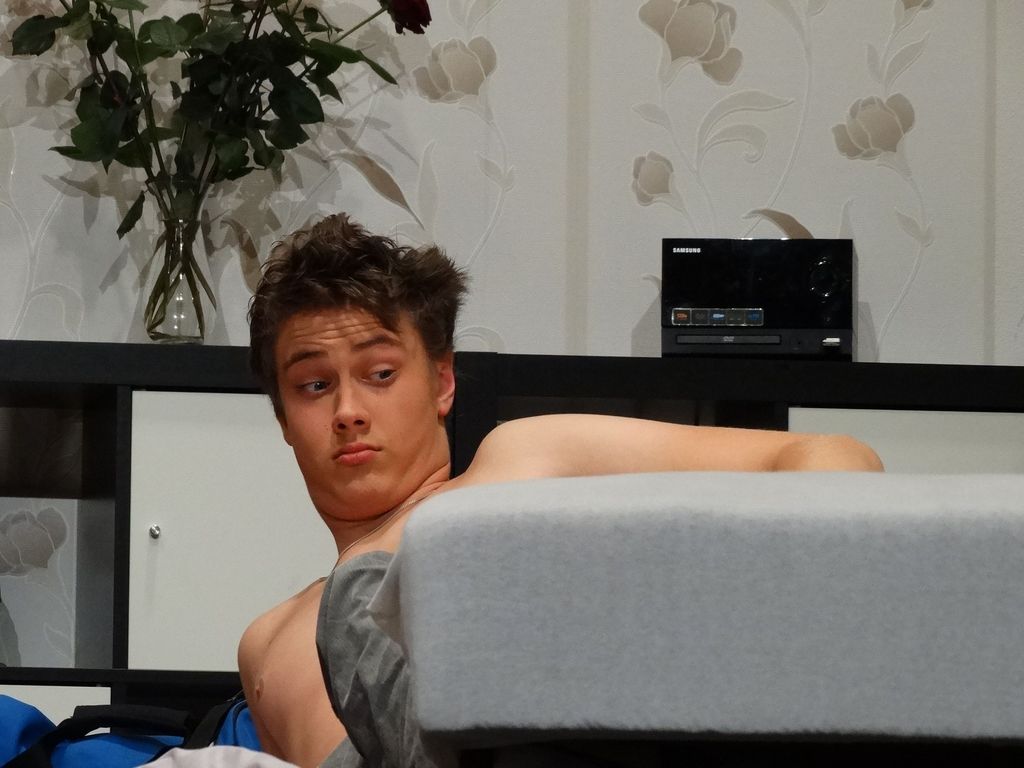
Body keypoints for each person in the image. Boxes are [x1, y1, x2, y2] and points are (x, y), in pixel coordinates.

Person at [237, 213, 884, 768]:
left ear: (442, 383)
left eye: (380, 373)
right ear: (282, 418)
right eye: (314, 385)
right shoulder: (268, 643)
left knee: (359, 590)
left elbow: (829, 455)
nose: (349, 411)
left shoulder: (518, 464)